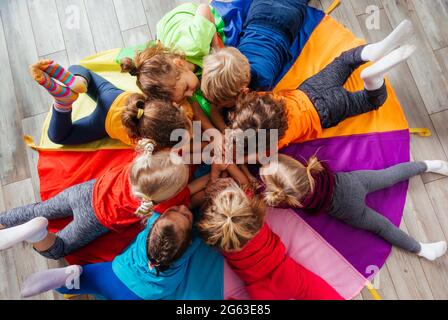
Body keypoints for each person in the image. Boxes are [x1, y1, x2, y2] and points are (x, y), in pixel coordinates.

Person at [204, 20, 415, 135]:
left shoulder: (273, 141)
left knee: (368, 101)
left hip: (326, 111)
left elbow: (255, 155)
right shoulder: (261, 95)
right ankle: (373, 50)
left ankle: (372, 80)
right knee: (344, 61)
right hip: (309, 89)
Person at [0, 139, 190, 260]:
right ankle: (37, 234)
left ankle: (3, 221)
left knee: (38, 210)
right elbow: (187, 196)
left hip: (83, 192)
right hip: (94, 220)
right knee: (60, 247)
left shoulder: (137, 163)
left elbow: (166, 158)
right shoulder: (158, 203)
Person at [260, 154, 448, 261]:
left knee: (383, 226)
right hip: (354, 183)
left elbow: (264, 194)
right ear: (298, 166)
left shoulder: (289, 201)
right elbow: (275, 160)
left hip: (349, 211)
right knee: (389, 175)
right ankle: (428, 165)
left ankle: (421, 249)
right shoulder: (309, 170)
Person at [197, 177, 344, 300]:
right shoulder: (251, 212)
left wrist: (211, 188)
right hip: (284, 272)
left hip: (259, 288)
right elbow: (247, 184)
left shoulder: (216, 234)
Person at [20, 206, 198, 300]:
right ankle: (67, 281)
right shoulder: (189, 246)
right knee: (94, 284)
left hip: (117, 274)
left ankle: (63, 278)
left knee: (83, 280)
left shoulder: (154, 223)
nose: (183, 207)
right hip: (141, 296)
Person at [30, 61, 191, 146]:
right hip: (104, 123)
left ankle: (80, 80)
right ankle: (63, 104)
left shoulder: (166, 104)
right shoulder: (152, 146)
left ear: (174, 106)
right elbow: (186, 149)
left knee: (78, 68)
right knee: (58, 136)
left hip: (118, 98)